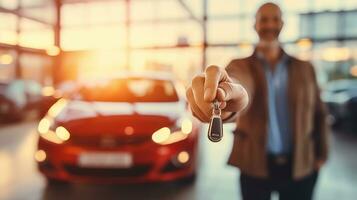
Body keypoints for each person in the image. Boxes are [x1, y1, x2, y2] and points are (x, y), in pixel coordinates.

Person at [186, 2, 329, 200]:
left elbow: (320, 114)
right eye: (263, 20)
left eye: (275, 19)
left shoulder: (306, 69)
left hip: (301, 165)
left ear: (282, 24)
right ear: (255, 25)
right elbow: (239, 86)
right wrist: (226, 102)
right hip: (254, 165)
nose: (269, 25)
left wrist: (322, 156)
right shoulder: (240, 66)